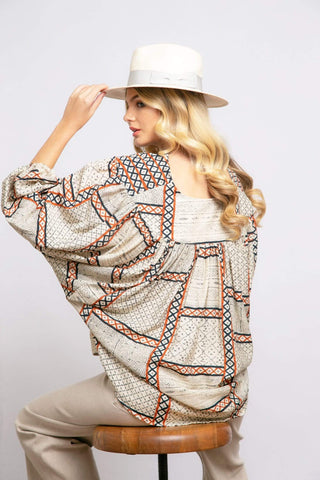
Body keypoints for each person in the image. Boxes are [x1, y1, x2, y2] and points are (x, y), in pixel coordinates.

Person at [1, 43, 266, 480]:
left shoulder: (132, 180)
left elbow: (25, 203)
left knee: (35, 423)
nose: (128, 116)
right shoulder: (232, 187)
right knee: (227, 463)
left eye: (141, 103)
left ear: (175, 108)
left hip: (153, 390)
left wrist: (67, 125)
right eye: (127, 104)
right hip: (225, 390)